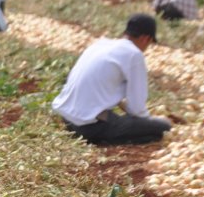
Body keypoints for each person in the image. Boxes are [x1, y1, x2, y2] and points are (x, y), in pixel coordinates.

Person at [52, 14, 172, 145]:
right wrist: (151, 121)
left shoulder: (101, 44)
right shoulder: (134, 54)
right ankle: (106, 140)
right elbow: (137, 110)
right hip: (88, 126)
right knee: (162, 128)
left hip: (67, 119)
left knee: (122, 120)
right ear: (145, 38)